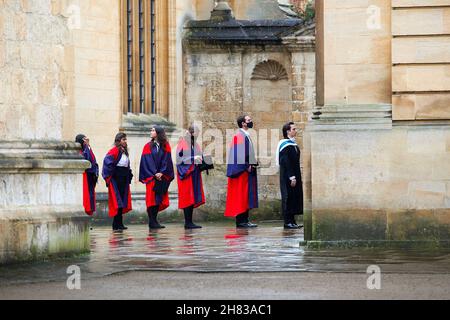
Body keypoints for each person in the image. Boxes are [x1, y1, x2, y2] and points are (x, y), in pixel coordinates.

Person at [224, 115, 258, 228]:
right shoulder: (239, 136)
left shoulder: (245, 135)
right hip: (242, 171)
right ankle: (241, 221)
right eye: (248, 120)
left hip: (246, 170)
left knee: (246, 195)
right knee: (241, 195)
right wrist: (246, 165)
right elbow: (238, 154)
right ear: (243, 123)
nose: (251, 121)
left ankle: (245, 220)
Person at [139, 125, 174, 230]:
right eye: (151, 130)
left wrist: (162, 172)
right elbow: (146, 161)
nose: (151, 131)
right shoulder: (147, 146)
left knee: (158, 199)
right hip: (151, 177)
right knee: (151, 200)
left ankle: (154, 220)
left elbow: (167, 160)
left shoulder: (165, 145)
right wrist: (155, 173)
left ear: (158, 133)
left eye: (153, 130)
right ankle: (152, 221)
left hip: (161, 177)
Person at [176, 125, 205, 229]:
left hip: (194, 172)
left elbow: (199, 155)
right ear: (190, 133)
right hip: (186, 174)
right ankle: (187, 223)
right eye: (195, 133)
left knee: (192, 197)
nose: (197, 136)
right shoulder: (182, 143)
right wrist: (193, 158)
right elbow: (179, 159)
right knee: (187, 197)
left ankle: (190, 222)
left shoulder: (195, 144)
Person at [102, 132, 133, 231]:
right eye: (124, 139)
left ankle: (120, 223)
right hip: (116, 179)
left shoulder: (125, 152)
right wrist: (110, 176)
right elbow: (107, 163)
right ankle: (116, 224)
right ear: (119, 140)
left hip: (124, 179)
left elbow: (127, 165)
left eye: (125, 139)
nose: (125, 141)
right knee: (117, 201)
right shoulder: (113, 151)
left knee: (122, 201)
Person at [276, 122, 303, 229]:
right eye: (293, 129)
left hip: (295, 173)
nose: (295, 131)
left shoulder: (293, 144)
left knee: (293, 197)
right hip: (288, 175)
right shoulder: (285, 145)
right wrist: (291, 176)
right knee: (287, 196)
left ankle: (292, 220)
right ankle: (287, 222)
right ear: (288, 131)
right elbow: (285, 162)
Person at [76, 134, 99, 216]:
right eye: (84, 140)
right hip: (83, 177)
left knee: (90, 197)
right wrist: (87, 146)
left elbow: (93, 160)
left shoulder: (86, 149)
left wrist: (88, 146)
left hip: (89, 177)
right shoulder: (78, 152)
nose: (85, 141)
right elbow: (86, 159)